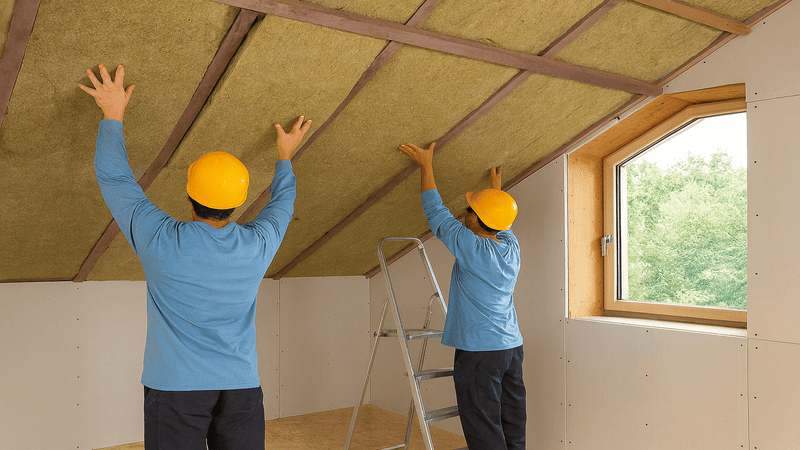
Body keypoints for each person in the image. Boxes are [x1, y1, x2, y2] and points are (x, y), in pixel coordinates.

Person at [78, 63, 311, 450]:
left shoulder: (161, 240)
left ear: (188, 197)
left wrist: (112, 114)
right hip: (241, 388)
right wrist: (284, 157)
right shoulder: (258, 245)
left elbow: (116, 179)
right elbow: (282, 204)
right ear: (239, 204)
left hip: (175, 390)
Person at [398, 141, 525, 450]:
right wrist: (496, 189)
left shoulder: (472, 247)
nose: (464, 214)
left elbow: (437, 215)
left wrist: (426, 165)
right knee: (512, 418)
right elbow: (500, 220)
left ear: (474, 220)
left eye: (469, 211)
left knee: (482, 426)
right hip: (510, 348)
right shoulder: (511, 247)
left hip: (480, 352)